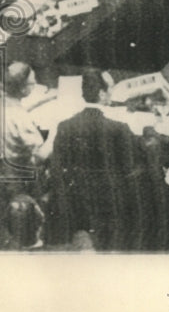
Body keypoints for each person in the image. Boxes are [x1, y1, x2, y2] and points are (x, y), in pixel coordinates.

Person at [45, 69, 146, 251]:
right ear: (101, 94)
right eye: (109, 90)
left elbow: (57, 169)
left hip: (75, 205)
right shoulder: (119, 128)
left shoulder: (65, 126)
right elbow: (130, 167)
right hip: (109, 207)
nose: (111, 94)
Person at [0, 62, 47, 168]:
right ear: (22, 88)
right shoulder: (21, 119)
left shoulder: (0, 103)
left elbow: (15, 112)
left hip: (1, 165)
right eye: (32, 82)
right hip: (21, 171)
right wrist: (57, 133)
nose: (35, 83)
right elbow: (38, 157)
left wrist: (44, 100)